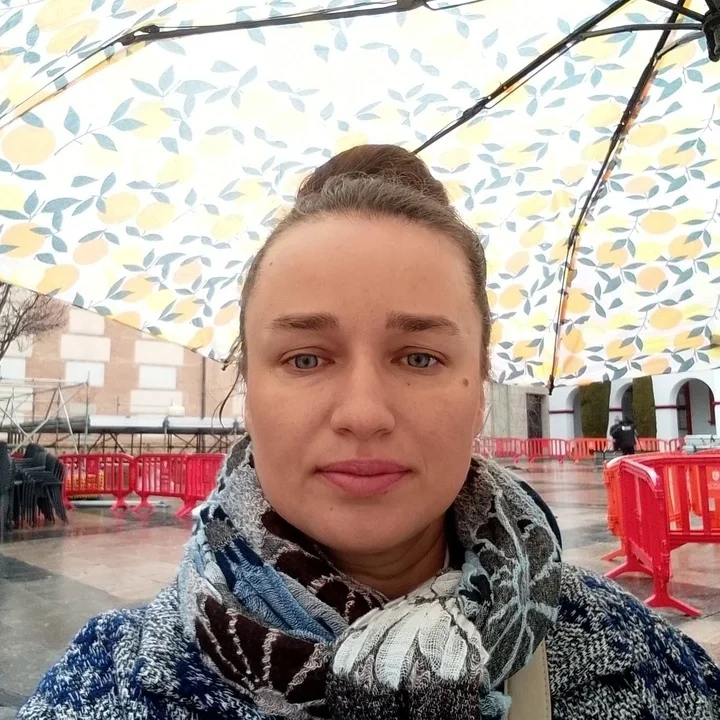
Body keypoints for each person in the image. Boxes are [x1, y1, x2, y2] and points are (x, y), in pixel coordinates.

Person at [19, 145, 720, 720]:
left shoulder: (636, 667)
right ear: (248, 392)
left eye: (419, 358)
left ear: (480, 389)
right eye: (305, 358)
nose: (363, 412)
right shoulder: (114, 687)